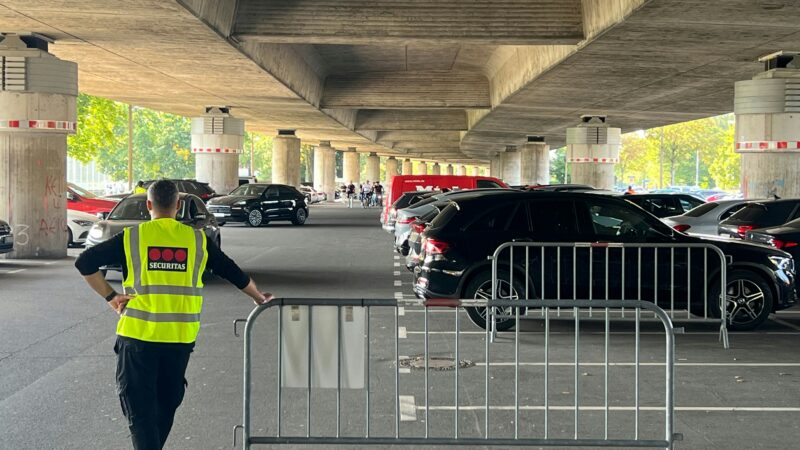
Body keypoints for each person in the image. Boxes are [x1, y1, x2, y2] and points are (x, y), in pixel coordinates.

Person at [74, 180, 273, 450]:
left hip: (137, 339)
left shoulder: (133, 237)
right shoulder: (196, 239)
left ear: (148, 205)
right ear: (178, 206)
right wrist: (257, 296)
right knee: (165, 408)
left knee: (140, 413)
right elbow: (230, 270)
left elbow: (84, 262)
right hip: (179, 341)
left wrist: (112, 296)